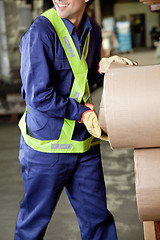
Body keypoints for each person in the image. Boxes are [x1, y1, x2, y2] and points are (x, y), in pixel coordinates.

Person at [14, 0, 135, 239]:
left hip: (83, 144)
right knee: (32, 226)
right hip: (47, 148)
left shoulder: (93, 30)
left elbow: (83, 74)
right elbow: (38, 96)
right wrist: (80, 112)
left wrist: (103, 66)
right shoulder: (40, 33)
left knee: (98, 221)